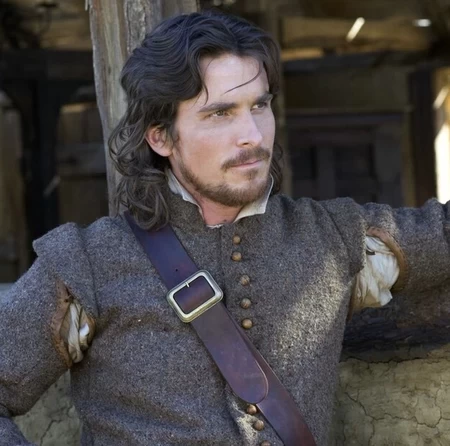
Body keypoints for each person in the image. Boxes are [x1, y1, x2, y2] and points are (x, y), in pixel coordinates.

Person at [1, 10, 449, 446]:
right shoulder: (89, 263)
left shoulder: (331, 237)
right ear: (160, 137)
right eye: (220, 113)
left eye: (260, 105)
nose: (253, 134)